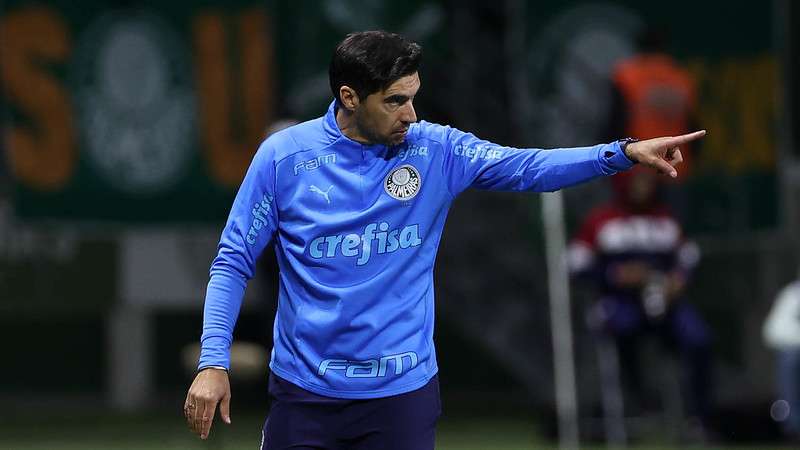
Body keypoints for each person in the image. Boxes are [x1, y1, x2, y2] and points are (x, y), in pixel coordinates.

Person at [183, 30, 705, 449]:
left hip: (401, 397)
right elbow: (233, 261)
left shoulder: (436, 150)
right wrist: (213, 362)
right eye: (395, 101)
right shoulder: (283, 158)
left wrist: (621, 152)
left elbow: (528, 167)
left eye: (414, 98)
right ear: (348, 97)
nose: (411, 114)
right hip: (305, 396)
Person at [568, 165, 712, 433]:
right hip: (619, 302)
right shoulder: (602, 220)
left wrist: (680, 279)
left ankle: (698, 419)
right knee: (623, 332)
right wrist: (613, 275)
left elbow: (689, 256)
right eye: (638, 181)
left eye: (648, 181)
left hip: (664, 301)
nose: (644, 187)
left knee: (698, 338)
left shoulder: (665, 219)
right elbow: (576, 264)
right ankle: (636, 403)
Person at [763, 271, 800, 441]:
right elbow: (772, 331)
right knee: (790, 358)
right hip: (793, 351)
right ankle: (793, 427)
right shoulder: (791, 295)